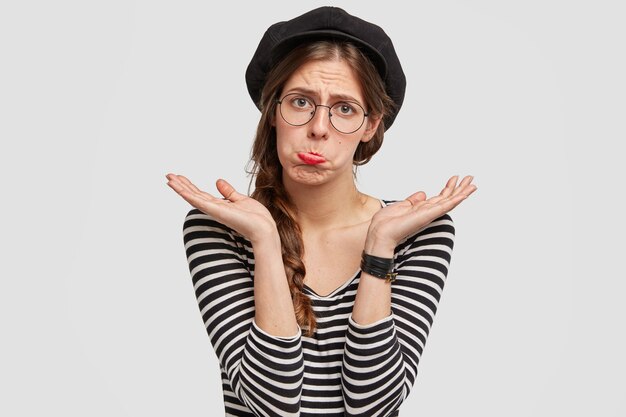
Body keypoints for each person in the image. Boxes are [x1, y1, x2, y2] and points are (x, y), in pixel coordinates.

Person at [166, 6, 476, 417]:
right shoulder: (218, 229)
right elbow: (271, 405)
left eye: (345, 109)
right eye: (300, 102)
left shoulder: (416, 232)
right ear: (272, 111)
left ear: (371, 125)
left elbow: (372, 406)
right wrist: (264, 241)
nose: (319, 128)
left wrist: (380, 249)